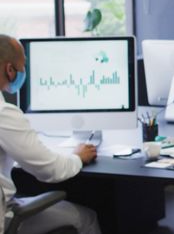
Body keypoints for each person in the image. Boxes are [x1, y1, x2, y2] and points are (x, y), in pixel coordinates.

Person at [0, 34, 101, 234]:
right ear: (10, 70)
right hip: (5, 217)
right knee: (86, 218)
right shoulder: (4, 114)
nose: (24, 71)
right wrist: (77, 157)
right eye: (23, 66)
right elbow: (50, 170)